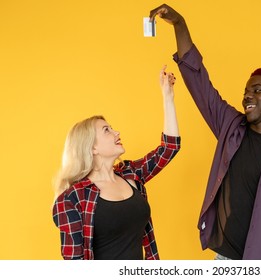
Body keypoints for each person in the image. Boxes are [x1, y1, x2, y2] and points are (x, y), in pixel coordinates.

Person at [149, 4, 261, 260]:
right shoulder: (231, 127)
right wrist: (179, 24)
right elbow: (199, 83)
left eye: (258, 90)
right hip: (224, 261)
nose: (248, 96)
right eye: (246, 91)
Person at [52, 66, 180, 260]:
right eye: (106, 130)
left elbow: (170, 147)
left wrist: (168, 96)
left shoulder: (130, 174)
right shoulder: (73, 199)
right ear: (92, 147)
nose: (116, 133)